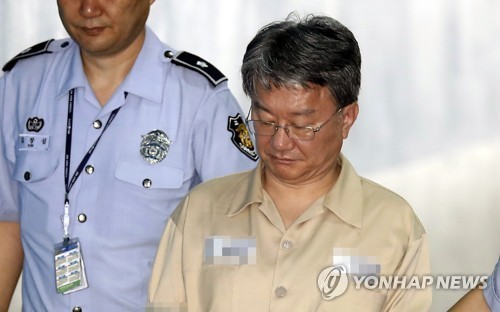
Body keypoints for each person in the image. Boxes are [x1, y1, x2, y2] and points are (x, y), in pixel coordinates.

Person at [148, 13, 431, 311]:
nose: (280, 142)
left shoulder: (394, 226)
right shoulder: (200, 211)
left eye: (301, 126)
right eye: (266, 120)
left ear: (346, 118)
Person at [0, 0, 258, 311]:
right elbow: (7, 221)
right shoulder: (21, 84)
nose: (88, 9)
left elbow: (244, 241)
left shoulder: (199, 99)